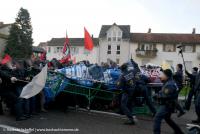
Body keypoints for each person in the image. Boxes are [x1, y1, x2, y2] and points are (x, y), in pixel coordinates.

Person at [153, 69, 184, 134]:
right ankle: (178, 132)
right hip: (169, 104)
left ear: (167, 76)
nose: (161, 75)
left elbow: (165, 96)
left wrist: (157, 96)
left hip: (167, 105)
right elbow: (163, 92)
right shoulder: (168, 82)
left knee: (157, 118)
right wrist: (158, 94)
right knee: (167, 119)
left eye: (163, 74)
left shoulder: (169, 84)